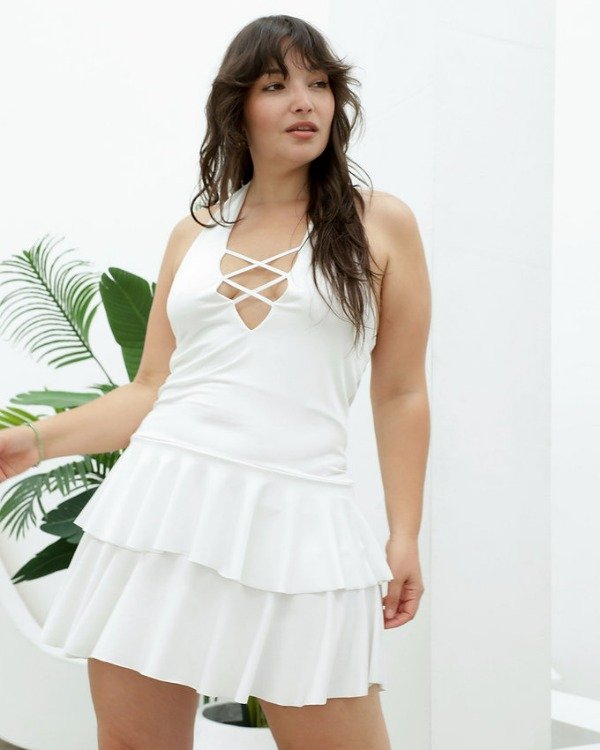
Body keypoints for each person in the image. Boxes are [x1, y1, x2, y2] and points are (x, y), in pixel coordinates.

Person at [0, 14, 431, 750]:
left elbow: (401, 392)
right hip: (161, 508)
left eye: (319, 83)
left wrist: (404, 535)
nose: (305, 101)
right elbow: (151, 389)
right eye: (277, 85)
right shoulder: (195, 232)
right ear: (238, 106)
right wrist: (31, 444)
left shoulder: (380, 223)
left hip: (301, 520)